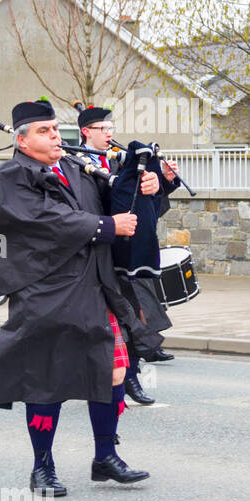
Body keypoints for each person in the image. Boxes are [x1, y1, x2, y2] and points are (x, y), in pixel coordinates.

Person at [0, 98, 162, 495]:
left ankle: (104, 457)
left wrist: (148, 182)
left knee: (113, 372)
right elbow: (43, 221)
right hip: (45, 293)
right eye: (45, 131)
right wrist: (105, 227)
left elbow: (117, 201)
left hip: (95, 286)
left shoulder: (77, 169)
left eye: (57, 130)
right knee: (46, 382)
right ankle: (42, 467)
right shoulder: (10, 177)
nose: (56, 136)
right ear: (22, 141)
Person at [80, 104, 182, 402]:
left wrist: (161, 182)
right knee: (112, 321)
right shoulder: (79, 162)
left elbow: (143, 204)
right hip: (100, 251)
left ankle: (131, 375)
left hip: (129, 253)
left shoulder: (122, 158)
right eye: (103, 129)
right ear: (86, 131)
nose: (109, 133)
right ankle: (112, 378)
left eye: (111, 128)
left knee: (136, 315)